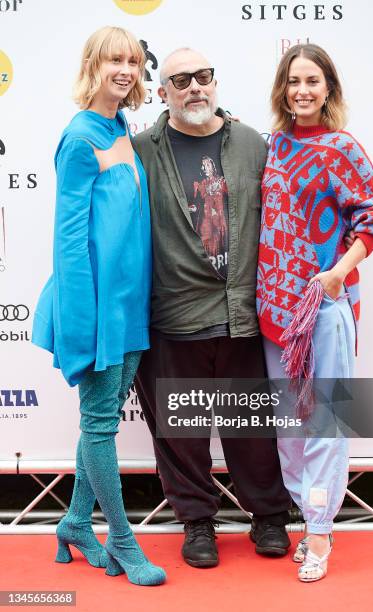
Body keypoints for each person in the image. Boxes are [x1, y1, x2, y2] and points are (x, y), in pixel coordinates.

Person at [132, 47, 292, 568]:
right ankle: (197, 522)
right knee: (182, 432)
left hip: (242, 312)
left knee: (251, 429)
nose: (195, 87)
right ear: (164, 92)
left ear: (215, 82)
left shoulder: (251, 143)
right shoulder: (141, 151)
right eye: (181, 80)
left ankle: (267, 517)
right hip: (174, 316)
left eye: (203, 76)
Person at [32, 26, 165, 587]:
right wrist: (83, 327)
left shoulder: (121, 127)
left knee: (99, 422)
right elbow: (69, 242)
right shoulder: (79, 137)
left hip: (133, 305)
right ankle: (123, 541)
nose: (125, 71)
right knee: (101, 424)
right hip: (98, 312)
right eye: (114, 60)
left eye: (133, 62)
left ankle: (73, 524)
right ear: (94, 65)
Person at [257, 43, 373, 582]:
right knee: (290, 424)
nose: (302, 90)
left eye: (312, 80)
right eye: (293, 81)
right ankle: (307, 511)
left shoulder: (343, 148)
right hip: (277, 315)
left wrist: (339, 270)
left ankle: (320, 529)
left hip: (327, 305)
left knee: (326, 420)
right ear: (283, 89)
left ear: (329, 87)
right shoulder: (272, 147)